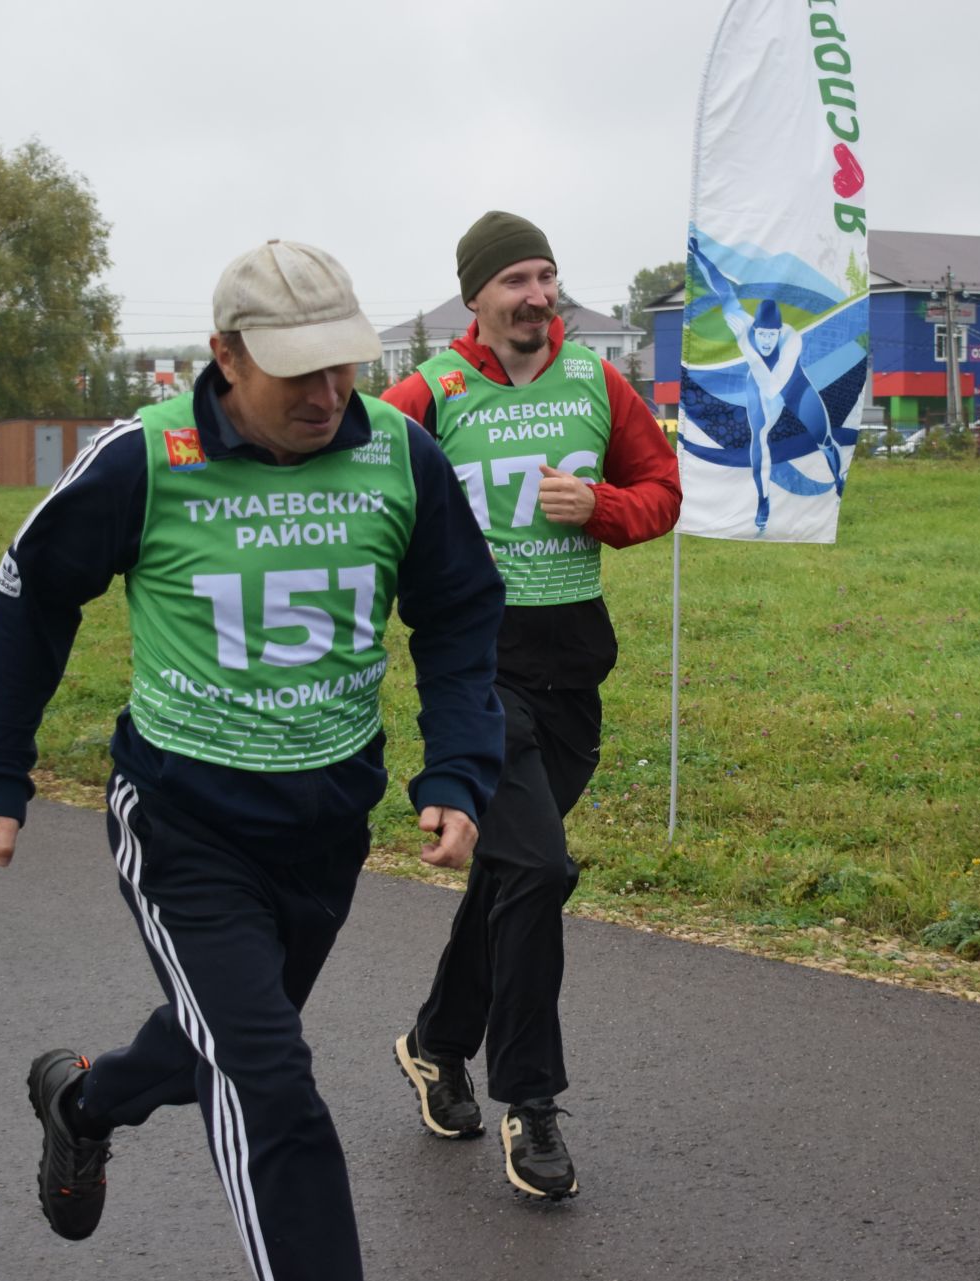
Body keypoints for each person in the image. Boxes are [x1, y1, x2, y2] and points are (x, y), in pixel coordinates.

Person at [0, 239, 505, 1281]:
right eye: (299, 371)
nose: (329, 393)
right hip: (185, 824)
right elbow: (34, 596)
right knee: (269, 1083)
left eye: (344, 363)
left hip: (328, 823)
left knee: (221, 1036)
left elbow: (462, 610)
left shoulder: (397, 452)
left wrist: (458, 766)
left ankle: (84, 1101)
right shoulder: (145, 461)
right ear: (226, 357)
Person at [382, 211, 681, 1200]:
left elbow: (663, 492)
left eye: (548, 276)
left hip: (573, 672)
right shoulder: (430, 394)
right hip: (477, 672)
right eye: (516, 279)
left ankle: (434, 1042)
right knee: (543, 868)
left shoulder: (600, 383)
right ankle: (532, 1104)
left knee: (514, 875)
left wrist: (596, 507)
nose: (538, 296)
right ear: (476, 298)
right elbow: (357, 482)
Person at [688, 238, 844, 534]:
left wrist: (751, 353)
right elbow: (722, 289)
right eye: (762, 336)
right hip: (758, 387)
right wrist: (699, 256)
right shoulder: (742, 324)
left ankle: (839, 481)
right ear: (755, 328)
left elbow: (775, 386)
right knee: (758, 441)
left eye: (772, 336)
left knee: (824, 437)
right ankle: (763, 500)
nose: (767, 341)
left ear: (778, 332)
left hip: (791, 383)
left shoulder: (791, 339)